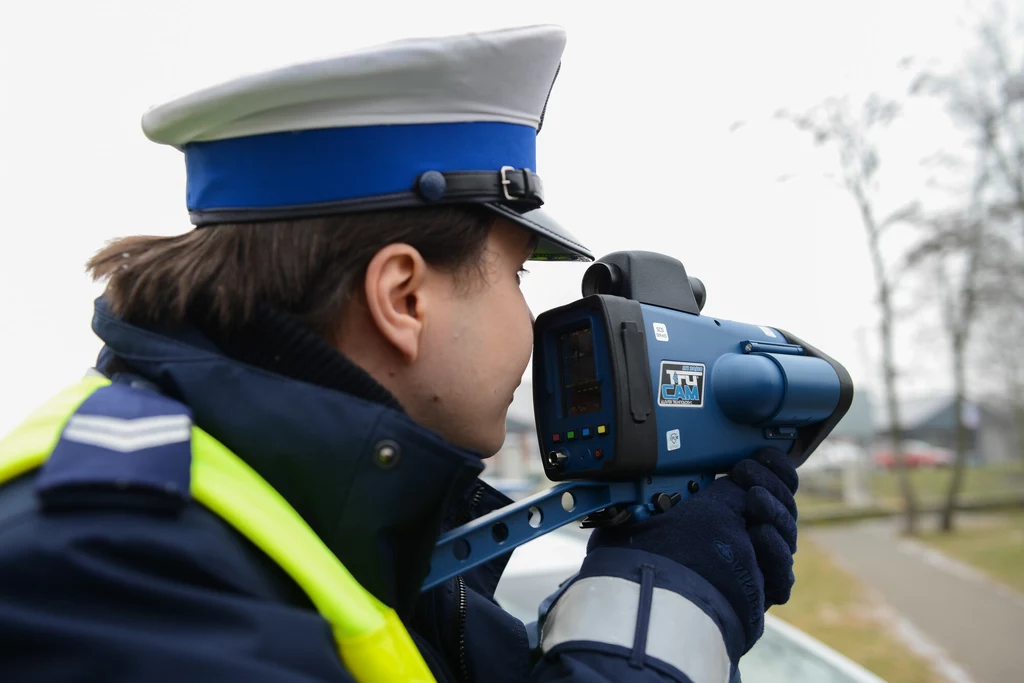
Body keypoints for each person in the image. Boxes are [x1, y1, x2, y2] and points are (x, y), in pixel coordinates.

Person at [0, 24, 799, 683]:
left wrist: (637, 562)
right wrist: (665, 613)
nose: (531, 319)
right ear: (403, 298)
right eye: (516, 274)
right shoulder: (108, 566)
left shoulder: (308, 522)